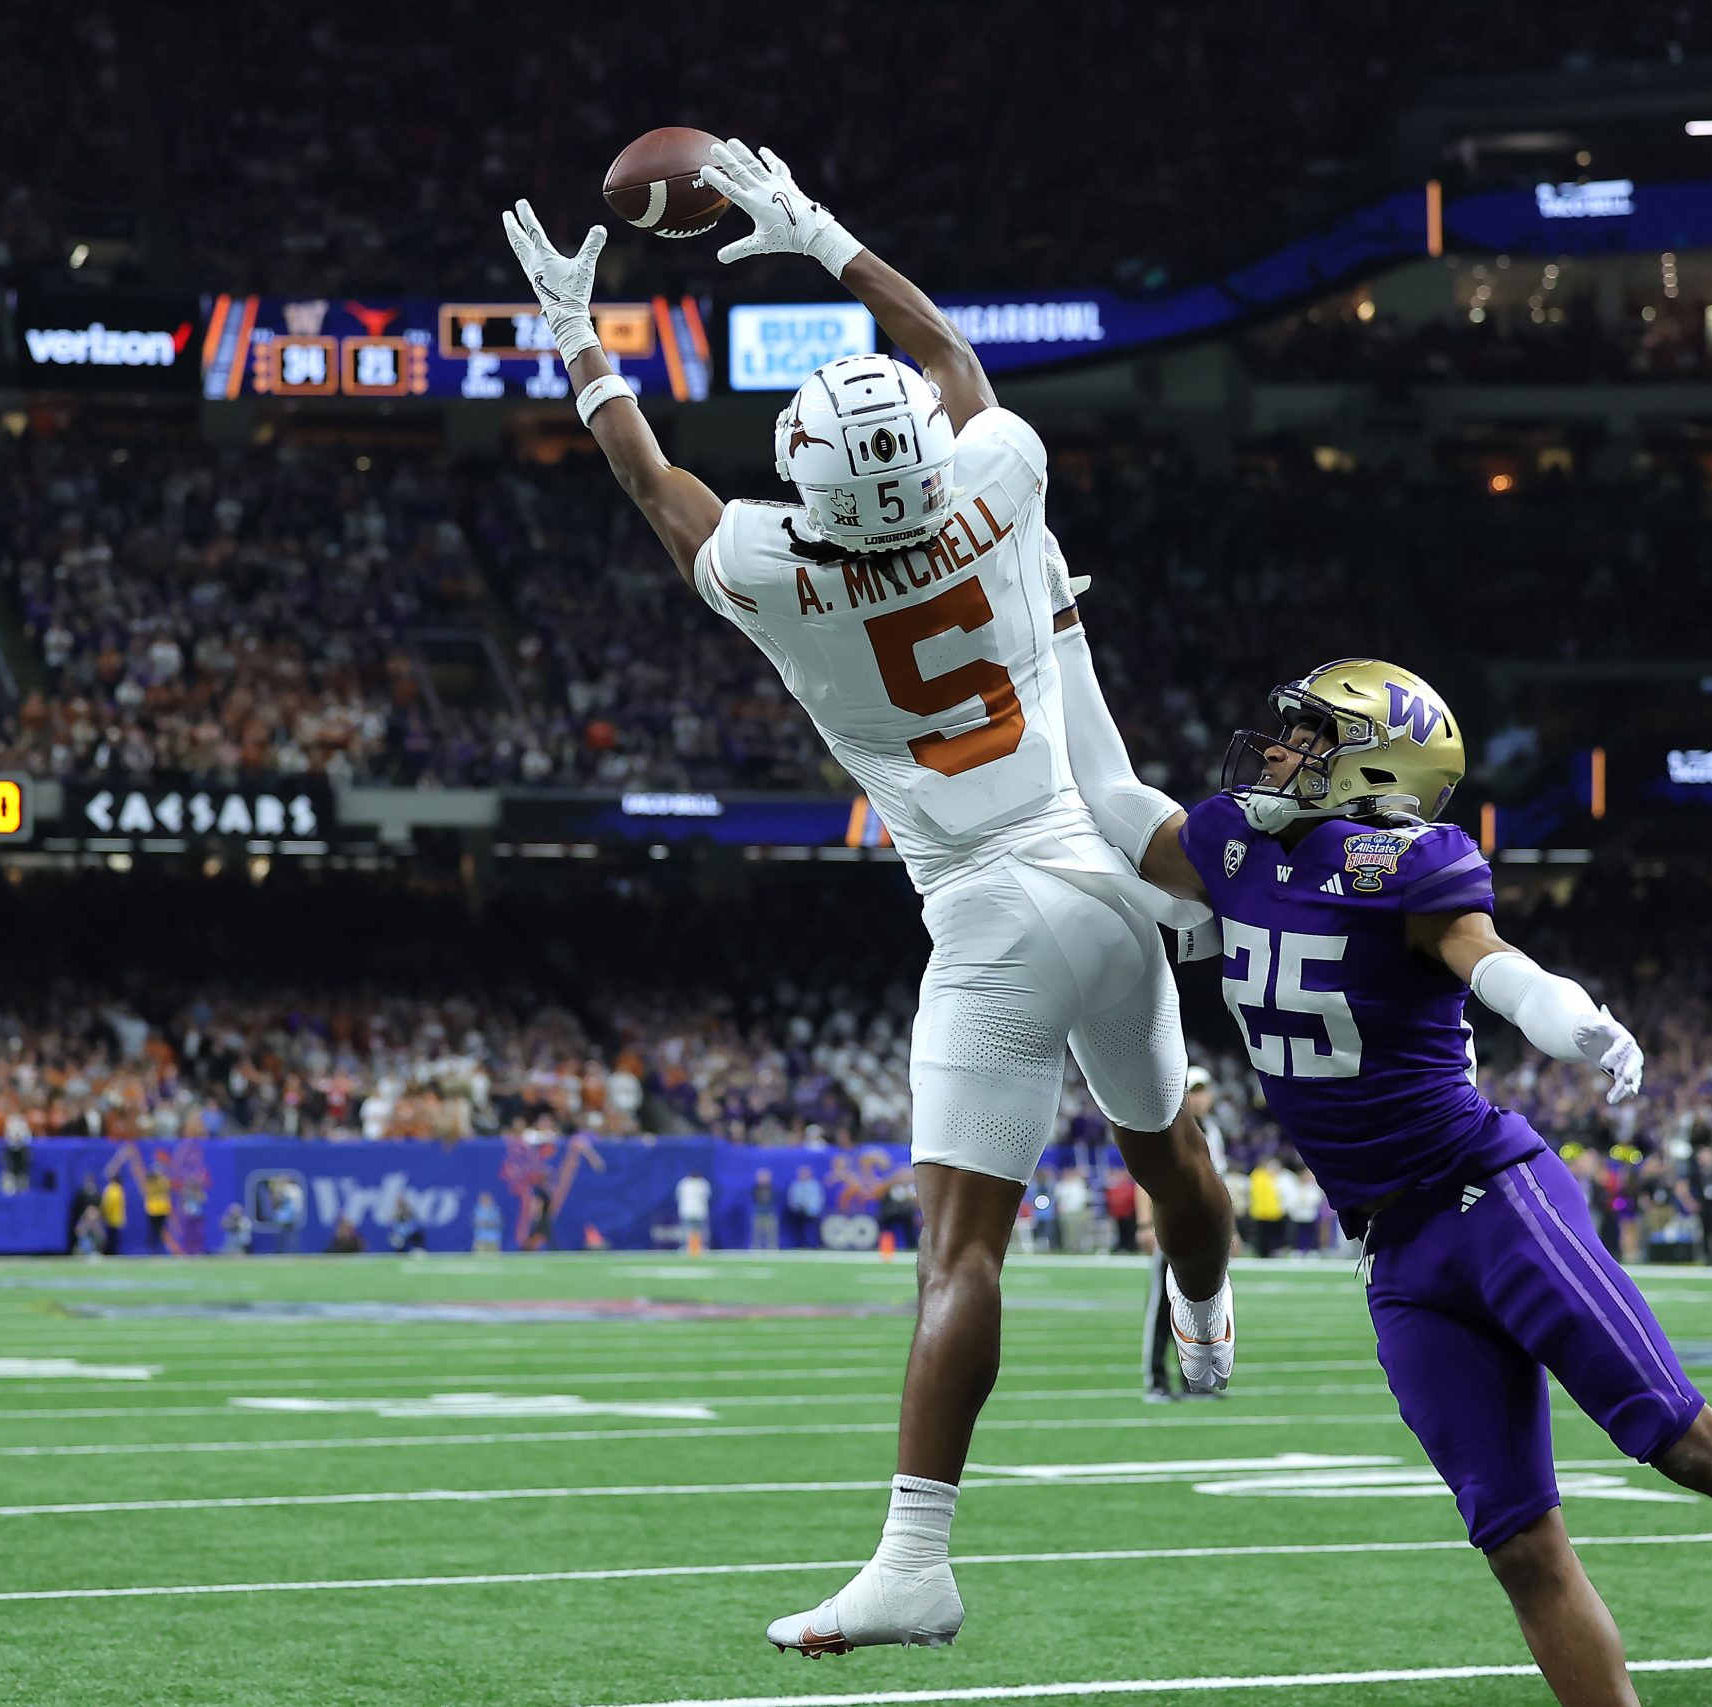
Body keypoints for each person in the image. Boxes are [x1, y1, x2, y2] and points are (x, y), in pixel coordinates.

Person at [500, 141, 1237, 1657]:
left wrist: (583, 343)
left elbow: (656, 483)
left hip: (983, 909)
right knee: (1173, 1161)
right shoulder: (999, 475)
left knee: (962, 1253)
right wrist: (823, 234)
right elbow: (953, 356)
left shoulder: (779, 564)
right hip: (1101, 878)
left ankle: (917, 1557)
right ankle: (1210, 1322)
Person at [1116, 655, 1712, 1707]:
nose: (1277, 748)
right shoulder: (1235, 843)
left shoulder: (1403, 864)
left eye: (1310, 736)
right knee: (1516, 1543)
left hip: (1489, 1196)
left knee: (1685, 1442)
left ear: (1375, 771)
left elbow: (1492, 961)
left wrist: (1569, 1019)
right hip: (1396, 1254)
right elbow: (1115, 809)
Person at [1145, 1065, 1231, 1401]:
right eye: (1194, 1091)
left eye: (1204, 1090)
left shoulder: (1213, 1132)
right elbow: (1148, 1178)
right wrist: (1145, 1224)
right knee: (1162, 1309)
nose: (1201, 1098)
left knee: (1202, 1309)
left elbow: (1220, 1187)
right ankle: (1156, 1380)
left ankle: (1195, 1381)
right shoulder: (1169, 1128)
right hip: (1175, 1227)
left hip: (1205, 1232)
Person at [786, 1165, 825, 1252]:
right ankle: (801, 1245)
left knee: (814, 1228)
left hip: (812, 1210)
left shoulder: (814, 1184)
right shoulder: (796, 1184)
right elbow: (792, 1197)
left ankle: (816, 1245)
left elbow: (819, 1197)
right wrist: (795, 1207)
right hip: (799, 1210)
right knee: (799, 1229)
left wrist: (815, 1208)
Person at [676, 1170, 712, 1254]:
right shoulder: (685, 1183)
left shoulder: (702, 1183)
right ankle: (686, 1247)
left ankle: (701, 1247)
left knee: (701, 1231)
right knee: (687, 1230)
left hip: (696, 1211)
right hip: (690, 1211)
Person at [142, 1164, 172, 1256]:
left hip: (162, 1209)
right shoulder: (150, 1182)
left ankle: (160, 1250)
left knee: (161, 1231)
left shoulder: (162, 1180)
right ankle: (151, 1250)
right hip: (153, 1209)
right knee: (153, 1231)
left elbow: (167, 1188)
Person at [98, 1172, 127, 1259]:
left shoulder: (110, 1189)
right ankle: (110, 1252)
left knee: (111, 1236)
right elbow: (115, 1204)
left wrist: (104, 1215)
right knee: (112, 1237)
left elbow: (106, 1204)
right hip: (114, 1217)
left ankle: (110, 1252)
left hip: (111, 1216)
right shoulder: (116, 1189)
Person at [750, 1169, 780, 1251]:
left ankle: (772, 1246)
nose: (763, 1179)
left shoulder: (772, 1188)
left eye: (765, 1177)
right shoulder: (756, 1188)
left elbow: (773, 1199)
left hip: (769, 1211)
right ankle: (756, 1246)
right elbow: (755, 1198)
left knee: (771, 1231)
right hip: (759, 1211)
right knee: (757, 1231)